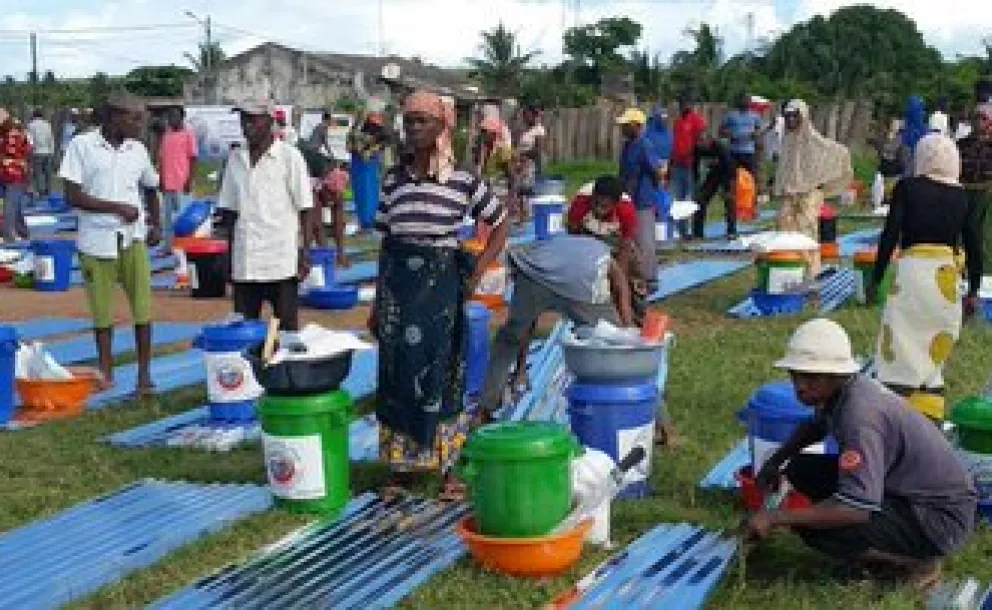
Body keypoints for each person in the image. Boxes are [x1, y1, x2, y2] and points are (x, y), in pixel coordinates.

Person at [745, 318, 976, 593]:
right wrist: (776, 461)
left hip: (938, 520)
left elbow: (854, 510)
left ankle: (919, 562)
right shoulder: (842, 391)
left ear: (835, 374)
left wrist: (776, 517)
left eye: (810, 378)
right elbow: (816, 425)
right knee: (802, 468)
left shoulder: (859, 418)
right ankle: (883, 546)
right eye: (796, 376)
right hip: (910, 494)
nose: (800, 387)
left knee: (814, 527)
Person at [368, 90, 509, 501]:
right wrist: (378, 303)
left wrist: (477, 272)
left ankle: (449, 469)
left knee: (442, 373)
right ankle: (403, 469)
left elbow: (500, 224)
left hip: (441, 290)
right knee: (397, 374)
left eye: (422, 122)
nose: (413, 130)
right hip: (399, 291)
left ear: (442, 127)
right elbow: (385, 243)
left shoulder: (463, 180)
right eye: (409, 122)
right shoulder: (394, 180)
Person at [871, 134, 982, 422]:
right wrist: (973, 289)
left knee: (900, 339)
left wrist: (876, 277)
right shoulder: (962, 196)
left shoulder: (907, 188)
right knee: (934, 347)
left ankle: (894, 412)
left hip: (913, 272)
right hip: (945, 278)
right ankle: (929, 414)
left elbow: (891, 234)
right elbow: (973, 243)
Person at [58, 93, 161, 393]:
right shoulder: (82, 146)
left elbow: (152, 188)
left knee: (143, 309)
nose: (141, 124)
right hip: (96, 241)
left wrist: (155, 222)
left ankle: (144, 374)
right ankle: (106, 370)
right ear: (114, 118)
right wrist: (117, 208)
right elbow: (72, 196)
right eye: (135, 118)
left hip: (133, 240)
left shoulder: (138, 150)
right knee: (102, 313)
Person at [478, 234, 636, 420]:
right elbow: (621, 288)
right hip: (581, 282)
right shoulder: (603, 257)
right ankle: (637, 399)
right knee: (616, 341)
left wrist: (521, 370)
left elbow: (525, 326)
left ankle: (485, 410)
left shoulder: (536, 254)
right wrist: (627, 331)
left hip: (547, 279)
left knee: (508, 340)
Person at [217, 99, 314, 333]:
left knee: (286, 329)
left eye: (253, 120)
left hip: (279, 260)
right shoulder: (235, 160)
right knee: (244, 330)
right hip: (246, 261)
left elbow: (306, 209)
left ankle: (286, 369)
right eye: (243, 120)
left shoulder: (290, 158)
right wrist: (227, 254)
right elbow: (229, 212)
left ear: (270, 122)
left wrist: (305, 253)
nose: (247, 126)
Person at [774, 99, 853, 278]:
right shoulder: (787, 140)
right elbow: (786, 168)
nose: (791, 120)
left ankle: (810, 275)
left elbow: (838, 152)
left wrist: (820, 182)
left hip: (809, 195)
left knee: (806, 234)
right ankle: (789, 272)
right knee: (784, 231)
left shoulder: (814, 141)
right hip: (790, 195)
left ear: (803, 117)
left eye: (795, 116)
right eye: (788, 116)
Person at [617, 108, 667, 294]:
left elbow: (657, 170)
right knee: (631, 240)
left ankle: (650, 280)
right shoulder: (628, 145)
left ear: (637, 126)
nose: (622, 128)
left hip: (643, 200)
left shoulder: (644, 145)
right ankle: (635, 276)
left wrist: (653, 188)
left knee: (645, 241)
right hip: (628, 198)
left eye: (626, 125)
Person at [958, 101, 992, 275]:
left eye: (983, 118)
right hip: (963, 191)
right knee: (961, 230)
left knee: (976, 232)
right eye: (976, 118)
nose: (979, 122)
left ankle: (979, 271)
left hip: (985, 192)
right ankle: (961, 268)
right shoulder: (962, 144)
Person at [158, 107, 198, 250]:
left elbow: (193, 158)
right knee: (167, 219)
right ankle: (168, 247)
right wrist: (161, 179)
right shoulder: (166, 135)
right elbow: (162, 159)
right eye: (169, 116)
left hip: (182, 183)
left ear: (182, 117)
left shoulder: (188, 134)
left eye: (174, 116)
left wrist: (189, 180)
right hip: (167, 184)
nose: (171, 119)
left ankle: (184, 248)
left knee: (184, 219)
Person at [671, 98, 707, 237]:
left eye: (687, 103)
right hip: (678, 164)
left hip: (692, 165)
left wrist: (694, 154)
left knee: (693, 198)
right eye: (682, 103)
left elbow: (702, 139)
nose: (685, 106)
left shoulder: (697, 120)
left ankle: (695, 230)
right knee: (678, 199)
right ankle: (682, 231)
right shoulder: (678, 122)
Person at [691, 136, 737, 239]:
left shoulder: (720, 147)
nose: (700, 146)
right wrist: (696, 181)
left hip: (727, 173)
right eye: (699, 143)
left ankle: (731, 231)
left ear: (709, 141)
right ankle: (697, 233)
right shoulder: (697, 148)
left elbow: (730, 167)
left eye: (702, 143)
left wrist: (730, 188)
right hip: (713, 174)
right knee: (700, 199)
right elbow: (695, 165)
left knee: (729, 200)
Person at [311, 160, 351, 268]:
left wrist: (341, 253)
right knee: (311, 225)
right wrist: (327, 257)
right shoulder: (313, 191)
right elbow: (317, 226)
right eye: (332, 194)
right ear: (324, 188)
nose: (334, 198)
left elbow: (339, 224)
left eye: (338, 194)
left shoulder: (337, 193)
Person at [0, 108, 31, 242]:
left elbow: (22, 153)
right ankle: (22, 230)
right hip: (8, 175)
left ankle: (8, 235)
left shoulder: (14, 136)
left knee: (10, 206)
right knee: (15, 205)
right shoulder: (9, 135)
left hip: (13, 175)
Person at [719, 93, 762, 182]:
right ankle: (733, 194)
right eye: (744, 100)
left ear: (750, 102)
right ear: (739, 101)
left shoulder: (755, 116)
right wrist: (730, 134)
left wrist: (755, 134)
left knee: (751, 177)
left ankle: (751, 194)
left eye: (748, 100)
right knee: (733, 177)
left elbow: (758, 131)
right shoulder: (730, 115)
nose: (746, 102)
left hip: (749, 152)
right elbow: (720, 131)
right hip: (734, 152)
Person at [515, 105, 546, 211]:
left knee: (527, 191)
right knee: (520, 190)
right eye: (524, 115)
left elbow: (538, 150)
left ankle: (528, 215)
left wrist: (522, 154)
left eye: (526, 115)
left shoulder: (539, 130)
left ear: (533, 115)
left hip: (531, 164)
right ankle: (523, 214)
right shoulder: (527, 131)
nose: (524, 117)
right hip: (522, 164)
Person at [27, 109, 54, 198]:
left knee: (37, 173)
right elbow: (51, 138)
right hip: (47, 151)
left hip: (37, 151)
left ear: (34, 115)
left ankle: (39, 191)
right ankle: (48, 190)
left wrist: (29, 152)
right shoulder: (47, 124)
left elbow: (30, 140)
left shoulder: (31, 125)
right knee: (48, 173)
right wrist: (51, 151)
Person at [900, 96, 928, 177]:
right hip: (916, 152)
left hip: (909, 149)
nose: (923, 112)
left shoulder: (905, 125)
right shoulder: (923, 127)